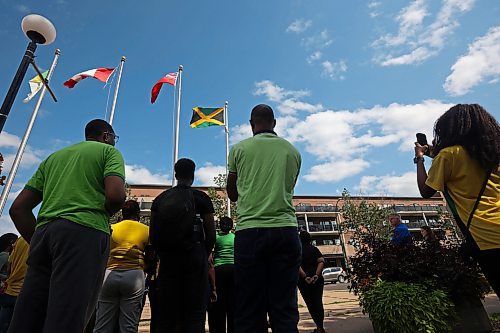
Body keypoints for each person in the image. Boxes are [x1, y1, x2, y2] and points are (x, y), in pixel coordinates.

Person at [8, 119, 126, 333]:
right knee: (68, 316)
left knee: (28, 315)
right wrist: (101, 216)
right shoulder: (109, 153)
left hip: (44, 235)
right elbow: (116, 195)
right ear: (107, 136)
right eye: (114, 139)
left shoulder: (53, 158)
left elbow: (18, 209)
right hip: (84, 234)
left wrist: (36, 240)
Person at [226, 104, 302, 332]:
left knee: (249, 308)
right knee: (285, 308)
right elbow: (288, 188)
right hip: (286, 230)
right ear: (274, 123)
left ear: (251, 124)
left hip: (250, 231)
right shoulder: (293, 152)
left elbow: (232, 193)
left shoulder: (239, 149)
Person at [414, 104, 500, 297]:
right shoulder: (492, 154)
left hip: (487, 236)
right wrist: (431, 152)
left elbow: (426, 191)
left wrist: (419, 159)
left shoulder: (448, 155)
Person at [150, 158, 216, 332]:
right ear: (193, 175)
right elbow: (211, 234)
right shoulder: (201, 198)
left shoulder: (161, 199)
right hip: (195, 259)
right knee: (195, 312)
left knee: (168, 312)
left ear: (175, 174)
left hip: (169, 261)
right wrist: (203, 252)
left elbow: (153, 236)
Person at [93, 200, 149, 333]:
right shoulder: (146, 230)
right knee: (128, 326)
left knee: (102, 324)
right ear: (138, 214)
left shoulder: (111, 228)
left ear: (122, 213)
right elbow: (151, 256)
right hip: (134, 276)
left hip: (109, 275)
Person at [209, 217, 236, 333]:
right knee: (233, 303)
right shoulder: (235, 237)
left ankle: (219, 328)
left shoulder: (216, 238)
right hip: (234, 269)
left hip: (219, 269)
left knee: (219, 303)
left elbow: (211, 257)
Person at [297, 231, 326, 333]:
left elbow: (297, 265)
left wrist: (305, 277)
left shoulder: (298, 250)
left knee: (310, 304)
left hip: (303, 281)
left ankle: (319, 327)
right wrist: (316, 275)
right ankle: (320, 327)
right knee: (318, 302)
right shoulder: (314, 249)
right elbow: (321, 261)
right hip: (317, 280)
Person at [0, 237, 29, 333]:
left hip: (8, 291)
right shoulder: (37, 237)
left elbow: (9, 267)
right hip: (23, 294)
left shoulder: (19, 240)